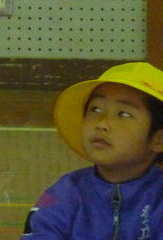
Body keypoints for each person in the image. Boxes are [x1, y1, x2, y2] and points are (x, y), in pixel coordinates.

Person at [21, 61, 163, 239]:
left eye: (123, 114)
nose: (102, 123)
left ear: (159, 139)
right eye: (95, 109)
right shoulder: (64, 193)